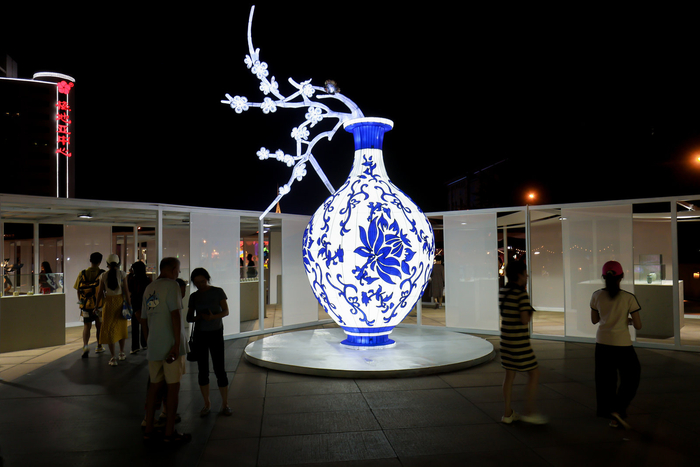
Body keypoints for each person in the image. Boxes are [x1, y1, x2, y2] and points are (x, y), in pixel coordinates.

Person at [142, 257, 191, 444]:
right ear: (172, 269)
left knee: (154, 387)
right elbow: (175, 314)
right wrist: (176, 345)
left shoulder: (149, 288)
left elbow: (143, 319)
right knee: (173, 388)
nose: (178, 273)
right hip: (171, 346)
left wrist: (149, 341)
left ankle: (149, 429)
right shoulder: (172, 286)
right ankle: (169, 432)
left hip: (154, 345)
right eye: (178, 270)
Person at [590, 261, 642, 429]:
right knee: (631, 377)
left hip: (602, 343)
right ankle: (618, 410)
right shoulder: (628, 298)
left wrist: (609, 318)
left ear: (603, 277)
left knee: (606, 381)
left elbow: (594, 320)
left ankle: (611, 413)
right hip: (622, 344)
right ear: (621, 277)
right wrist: (627, 320)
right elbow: (638, 325)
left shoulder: (596, 295)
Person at [499, 260, 547, 425]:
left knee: (509, 375)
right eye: (525, 274)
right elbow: (524, 319)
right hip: (519, 342)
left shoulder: (503, 291)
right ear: (519, 275)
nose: (527, 277)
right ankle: (529, 411)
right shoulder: (521, 294)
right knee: (534, 373)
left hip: (506, 340)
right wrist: (530, 312)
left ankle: (507, 413)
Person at [187, 268, 232, 417]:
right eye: (197, 283)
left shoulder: (218, 292)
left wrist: (213, 317)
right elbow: (189, 317)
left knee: (219, 368)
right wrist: (199, 317)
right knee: (203, 370)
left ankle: (225, 404)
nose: (200, 285)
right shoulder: (194, 296)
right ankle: (207, 403)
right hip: (200, 335)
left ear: (207, 279)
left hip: (215, 333)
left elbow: (226, 311)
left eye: (202, 281)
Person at [96, 254, 131, 366]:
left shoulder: (103, 275)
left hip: (108, 304)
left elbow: (100, 293)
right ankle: (122, 352)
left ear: (107, 264)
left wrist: (96, 306)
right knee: (121, 328)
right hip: (120, 303)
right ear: (118, 263)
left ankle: (113, 357)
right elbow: (126, 291)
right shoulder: (122, 274)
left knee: (110, 329)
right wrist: (129, 304)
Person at [74, 252, 105, 358]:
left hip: (86, 305)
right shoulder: (102, 274)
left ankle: (85, 346)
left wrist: (81, 302)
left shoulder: (82, 273)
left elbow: (78, 289)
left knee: (87, 326)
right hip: (99, 305)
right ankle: (99, 346)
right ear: (100, 262)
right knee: (99, 326)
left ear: (90, 260)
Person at [128, 261, 151, 354]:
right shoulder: (148, 279)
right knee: (145, 323)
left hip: (135, 302)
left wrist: (130, 274)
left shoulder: (132, 279)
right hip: (146, 302)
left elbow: (129, 289)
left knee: (135, 325)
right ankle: (145, 343)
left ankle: (135, 347)